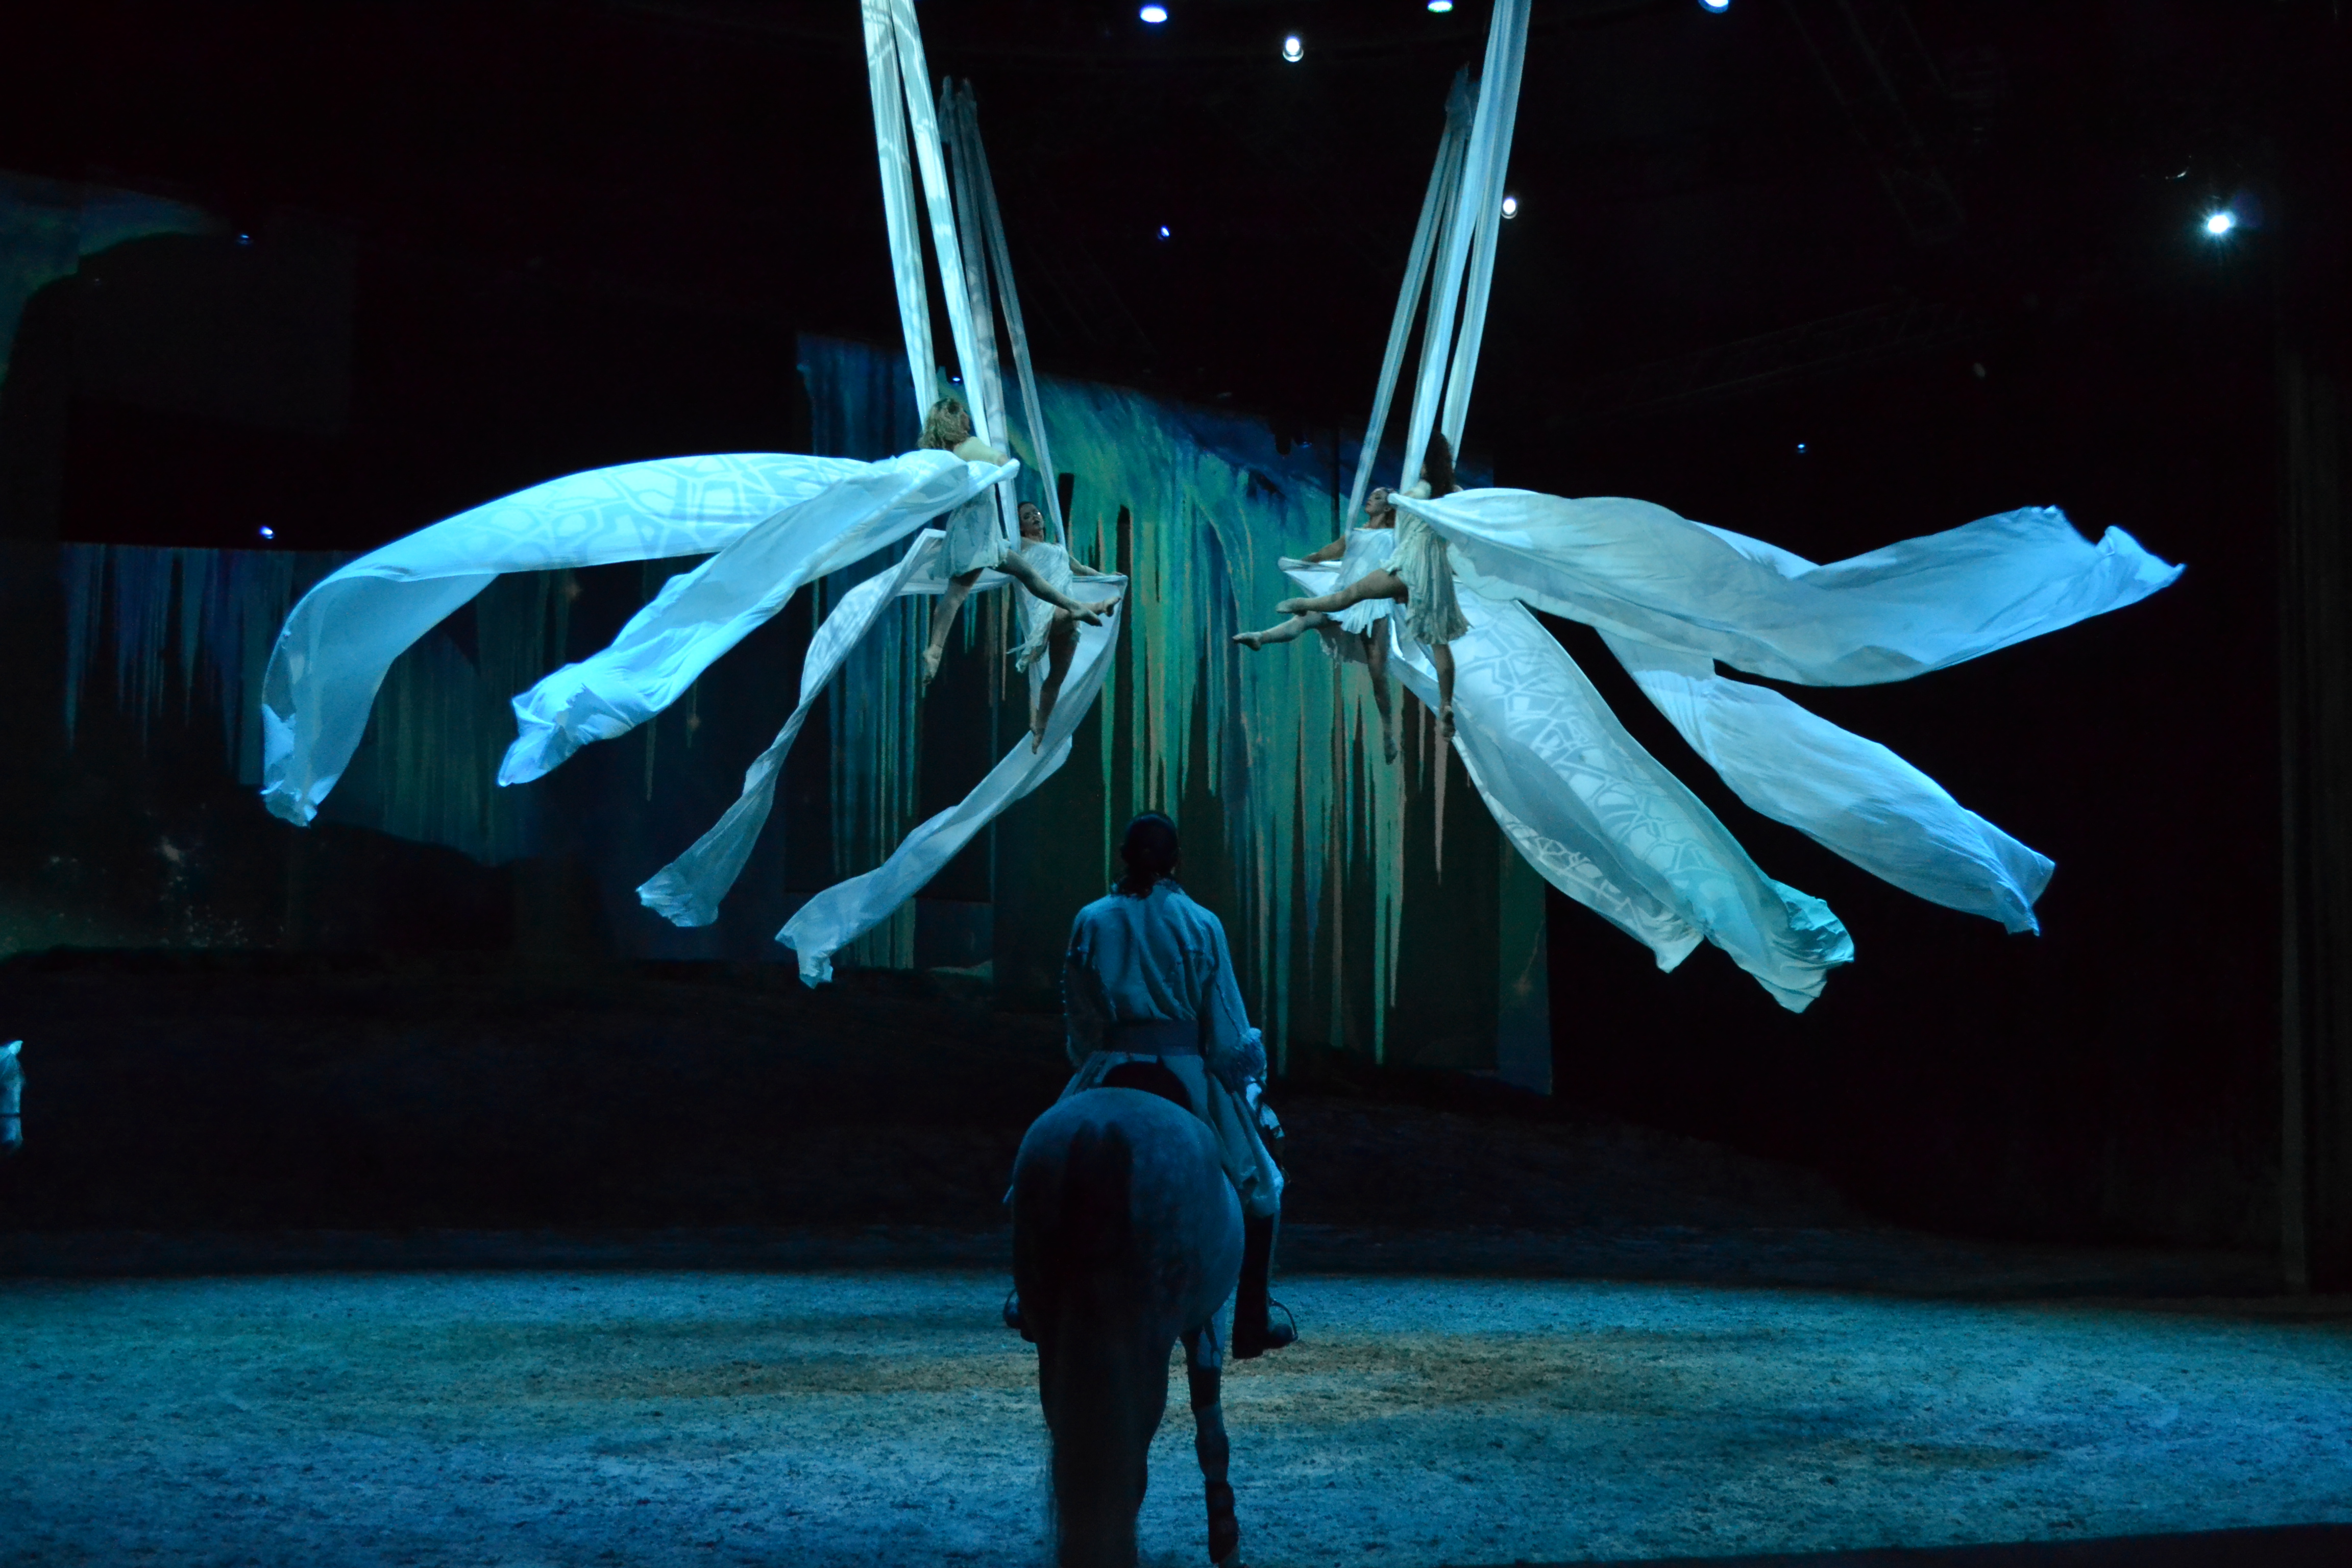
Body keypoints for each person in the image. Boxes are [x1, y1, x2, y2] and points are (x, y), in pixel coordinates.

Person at [1004, 813, 1296, 1360]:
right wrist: (1241, 1075)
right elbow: (1226, 1023)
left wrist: (1090, 1057)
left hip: (1110, 1062)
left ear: (1122, 856)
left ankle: (1029, 1296)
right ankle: (1254, 1319)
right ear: (1177, 860)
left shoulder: (1092, 920)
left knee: (1036, 1175)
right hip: (1185, 1066)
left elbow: (1081, 1012)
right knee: (1260, 1185)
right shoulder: (1202, 923)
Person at [1272, 433, 1472, 740]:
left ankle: (1304, 605)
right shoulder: (1455, 494)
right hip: (1436, 573)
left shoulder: (1421, 490)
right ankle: (1446, 703)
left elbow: (1411, 508)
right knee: (1440, 644)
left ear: (1425, 463)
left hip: (1409, 564)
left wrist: (1397, 500)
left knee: (1351, 595)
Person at [915, 398, 1115, 690]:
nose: (969, 418)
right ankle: (1075, 607)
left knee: (962, 592)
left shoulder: (943, 455)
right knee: (1017, 578)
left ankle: (935, 649)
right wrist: (1006, 466)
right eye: (964, 414)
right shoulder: (969, 446)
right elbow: (999, 460)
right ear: (955, 420)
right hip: (979, 530)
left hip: (966, 528)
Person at [1233, 485, 1403, 764]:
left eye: (1377, 497)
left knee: (1378, 675)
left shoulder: (1394, 537)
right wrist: (1303, 564)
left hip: (1373, 607)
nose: (1370, 499)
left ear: (1388, 507)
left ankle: (1388, 734)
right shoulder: (1355, 534)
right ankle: (1260, 637)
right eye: (1370, 495)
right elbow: (1329, 552)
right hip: (1340, 599)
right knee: (1304, 620)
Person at [1010, 500, 1115, 751]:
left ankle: (1040, 729)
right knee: (1069, 611)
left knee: (1055, 678)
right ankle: (1098, 606)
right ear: (1021, 527)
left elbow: (1081, 569)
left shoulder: (1058, 549)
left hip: (1067, 620)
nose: (1035, 517)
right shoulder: (1020, 546)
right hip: (1046, 613)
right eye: (1027, 516)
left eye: (1036, 513)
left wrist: (1110, 579)